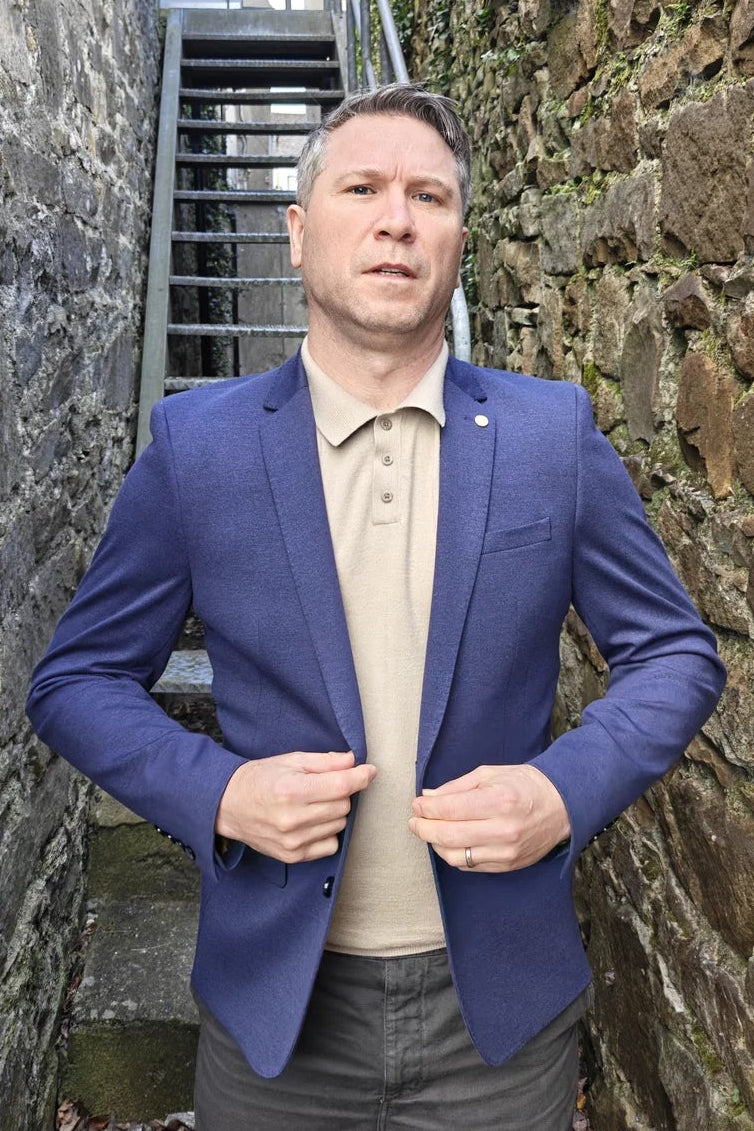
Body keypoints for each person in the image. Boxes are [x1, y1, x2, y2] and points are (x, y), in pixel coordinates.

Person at [27, 84, 725, 1130]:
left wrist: (561, 792)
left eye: (428, 196)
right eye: (362, 188)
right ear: (301, 235)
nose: (397, 217)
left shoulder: (551, 437)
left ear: (456, 239)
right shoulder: (195, 449)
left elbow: (673, 652)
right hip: (276, 1017)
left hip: (497, 1016)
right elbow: (75, 681)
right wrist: (218, 792)